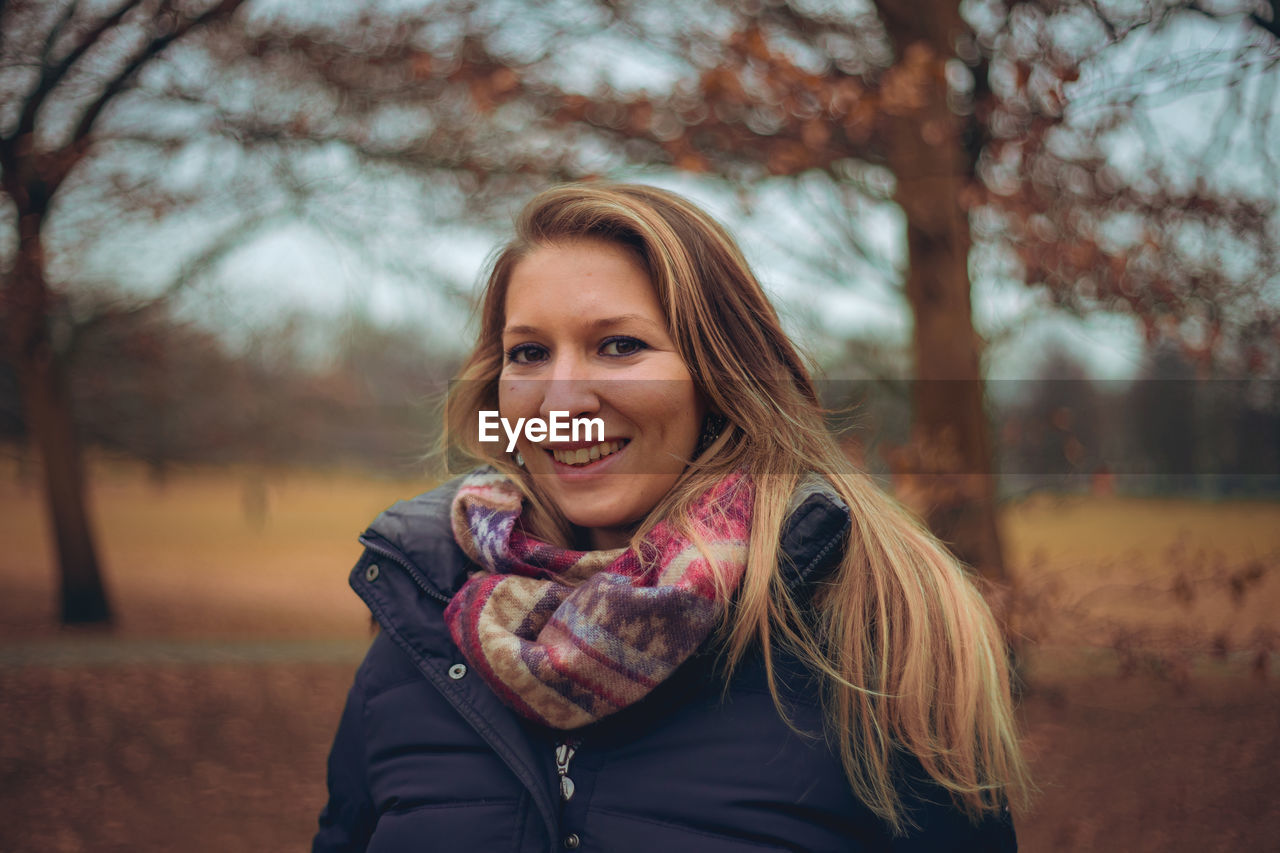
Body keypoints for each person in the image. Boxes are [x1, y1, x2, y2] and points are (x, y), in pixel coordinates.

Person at [313, 183, 1030, 852]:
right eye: (529, 352)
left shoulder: (876, 622)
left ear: (719, 375)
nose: (561, 402)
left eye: (619, 345)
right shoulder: (420, 611)